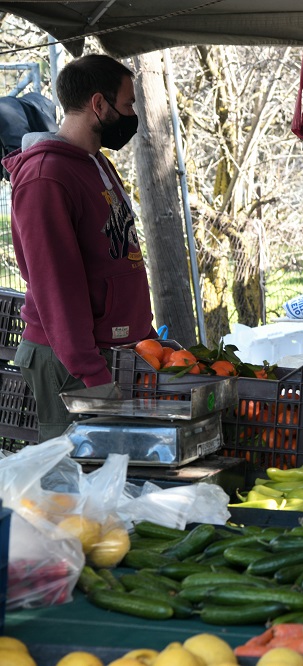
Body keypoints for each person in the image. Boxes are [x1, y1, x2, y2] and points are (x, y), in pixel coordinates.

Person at [2, 54, 155, 441]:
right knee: (76, 483)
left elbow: (118, 256)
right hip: (68, 358)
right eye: (128, 104)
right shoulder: (45, 178)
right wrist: (90, 372)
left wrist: (144, 335)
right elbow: (56, 287)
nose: (132, 113)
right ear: (98, 104)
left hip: (108, 350)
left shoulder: (96, 163)